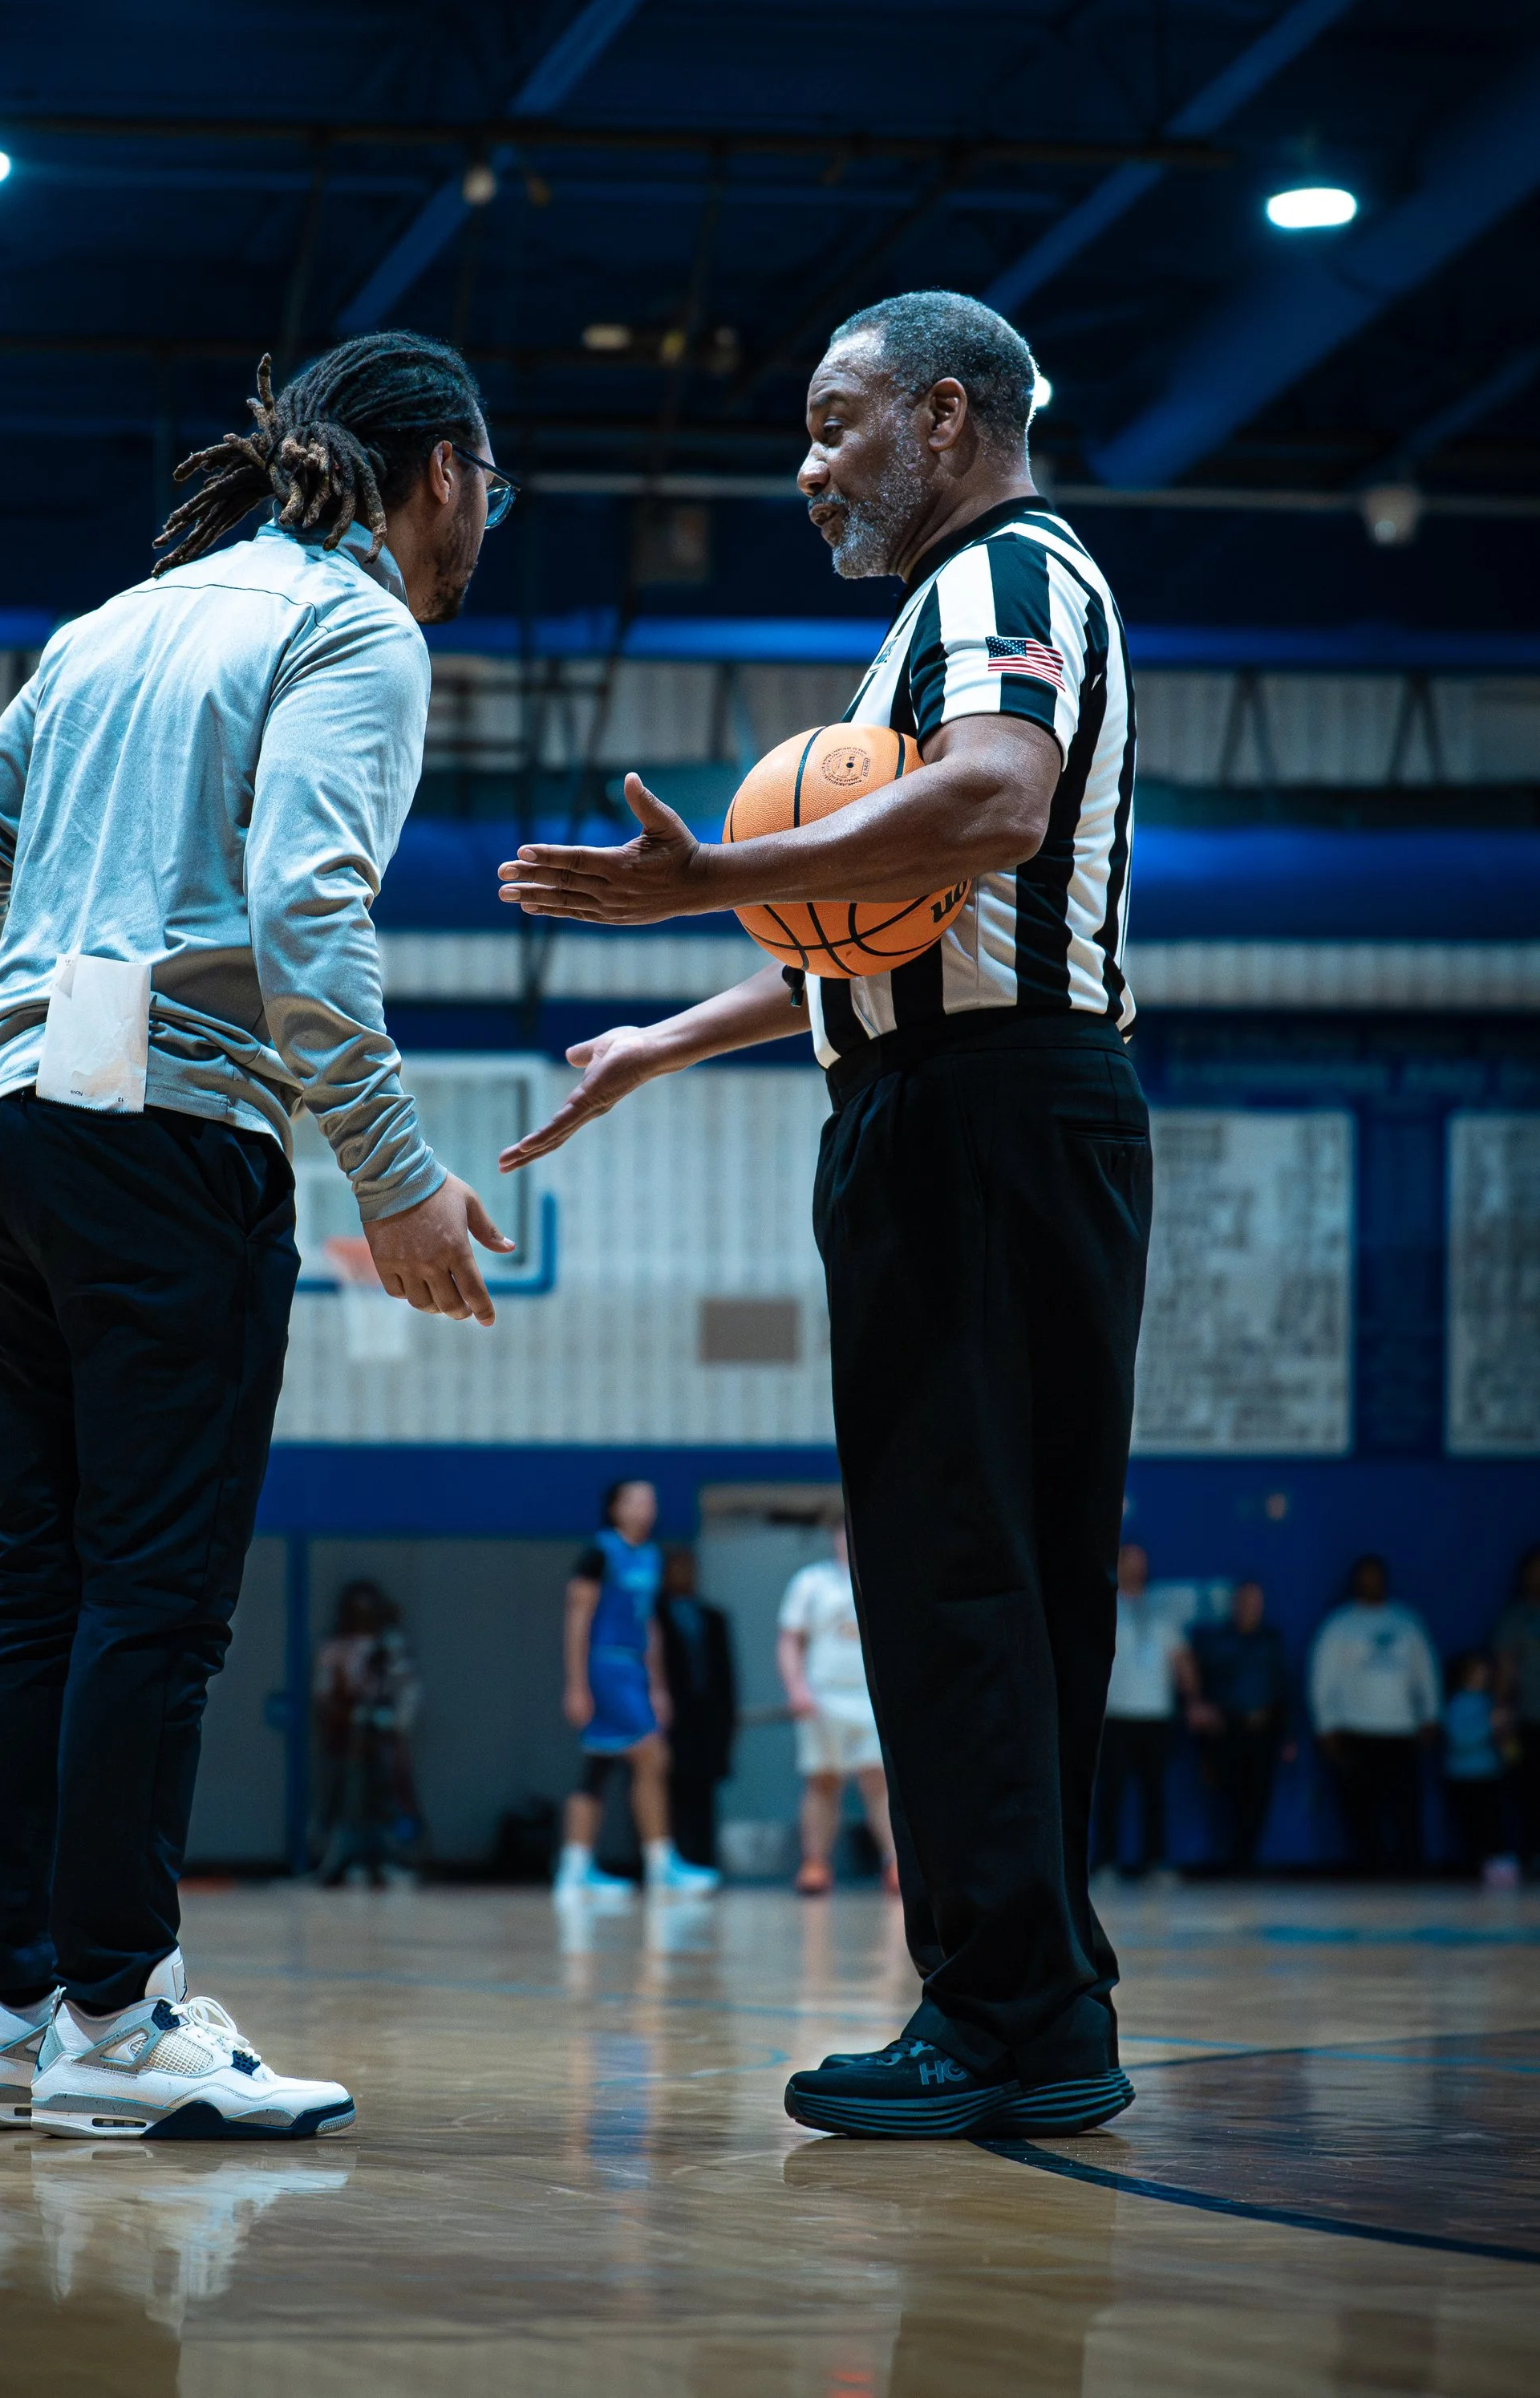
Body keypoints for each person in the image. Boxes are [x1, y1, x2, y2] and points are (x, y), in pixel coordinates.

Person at [501, 290, 1146, 2137]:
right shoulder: (956, 618)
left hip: (981, 1123)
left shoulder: (994, 581)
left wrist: (708, 882)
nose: (806, 464)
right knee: (996, 1575)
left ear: (945, 418)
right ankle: (1035, 2004)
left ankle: (1003, 2008)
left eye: (835, 422)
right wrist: (673, 1035)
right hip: (993, 1107)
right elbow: (891, 944)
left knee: (953, 1568)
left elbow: (996, 810)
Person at [0, 333, 516, 2139]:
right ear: (438, 473)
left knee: (37, 1565)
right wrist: (392, 1170)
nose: (489, 513)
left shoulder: (112, 619)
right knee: (154, 1592)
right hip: (166, 1129)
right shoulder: (358, 626)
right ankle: (116, 2008)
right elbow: (304, 902)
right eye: (491, 481)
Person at [555, 1481, 719, 1899]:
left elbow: (649, 1624)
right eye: (637, 1499)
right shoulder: (599, 1553)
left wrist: (659, 1686)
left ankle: (575, 1869)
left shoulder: (651, 1556)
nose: (648, 1506)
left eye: (652, 1499)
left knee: (598, 1765)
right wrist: (576, 1684)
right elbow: (578, 1619)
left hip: (634, 1667)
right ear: (615, 1507)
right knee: (653, 1753)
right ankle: (662, 1862)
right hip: (604, 1664)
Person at [776, 1524, 897, 1897]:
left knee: (878, 1781)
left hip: (870, 1696)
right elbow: (789, 1640)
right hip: (823, 1696)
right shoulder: (811, 1582)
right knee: (823, 1780)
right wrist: (796, 1688)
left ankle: (895, 1864)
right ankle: (815, 1863)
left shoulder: (887, 1579)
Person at [1309, 1555, 1440, 1875]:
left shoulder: (1406, 1622)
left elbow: (1425, 1672)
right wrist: (1325, 1724)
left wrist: (1431, 1714)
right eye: (1364, 1576)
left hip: (1400, 1729)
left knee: (1405, 1807)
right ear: (1355, 1580)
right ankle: (1368, 1872)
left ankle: (1410, 1870)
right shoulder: (1340, 1625)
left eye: (1375, 1575)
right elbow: (1322, 1678)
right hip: (1356, 1728)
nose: (1371, 1582)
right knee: (1360, 1809)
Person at [1090, 1545, 1199, 1881]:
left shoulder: (1162, 1613)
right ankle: (1106, 1863)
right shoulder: (1104, 1609)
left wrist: (1194, 1699)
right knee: (1112, 1792)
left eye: (1141, 1562)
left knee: (1155, 1793)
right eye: (1128, 1562)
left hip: (1155, 1716)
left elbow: (1182, 1660)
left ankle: (1155, 1862)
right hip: (1116, 1715)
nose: (1135, 1569)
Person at [312, 1579, 422, 1887]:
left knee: (389, 1801)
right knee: (346, 1802)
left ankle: (391, 1859)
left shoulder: (390, 1646)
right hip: (345, 1740)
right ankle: (343, 1860)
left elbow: (406, 1691)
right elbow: (322, 1694)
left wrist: (397, 1728)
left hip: (383, 1738)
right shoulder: (335, 1648)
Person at [1189, 1580, 1295, 1874]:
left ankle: (1247, 1860)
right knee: (1228, 1795)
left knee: (1258, 1795)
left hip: (1263, 1730)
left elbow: (1282, 1687)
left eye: (1256, 1602)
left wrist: (1287, 1734)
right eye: (1245, 1601)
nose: (1251, 1607)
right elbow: (1206, 1685)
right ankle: (1229, 1860)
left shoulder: (1270, 1640)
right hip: (1227, 1730)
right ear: (1236, 1604)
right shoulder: (1218, 1642)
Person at [656, 1545, 738, 1872]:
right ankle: (668, 1860)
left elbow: (727, 1675)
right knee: (667, 1790)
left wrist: (727, 1722)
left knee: (704, 1794)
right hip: (670, 1717)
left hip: (707, 1719)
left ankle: (703, 1861)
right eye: (677, 1568)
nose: (684, 1575)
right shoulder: (653, 1616)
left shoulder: (713, 1618)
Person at [1441, 1653, 1510, 1883]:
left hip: (1489, 1773)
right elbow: (1460, 1741)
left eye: (1485, 1671)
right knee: (1472, 1825)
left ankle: (1496, 1870)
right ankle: (1475, 1870)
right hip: (1465, 1777)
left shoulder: (1490, 1701)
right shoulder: (1458, 1703)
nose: (1484, 1676)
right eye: (1477, 1671)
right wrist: (1490, 1726)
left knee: (1492, 1823)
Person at [1493, 1544, 1540, 1868]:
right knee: (1530, 1789)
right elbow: (1505, 1670)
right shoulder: (1517, 1618)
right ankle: (1533, 1853)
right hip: (1529, 1717)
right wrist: (1502, 1715)